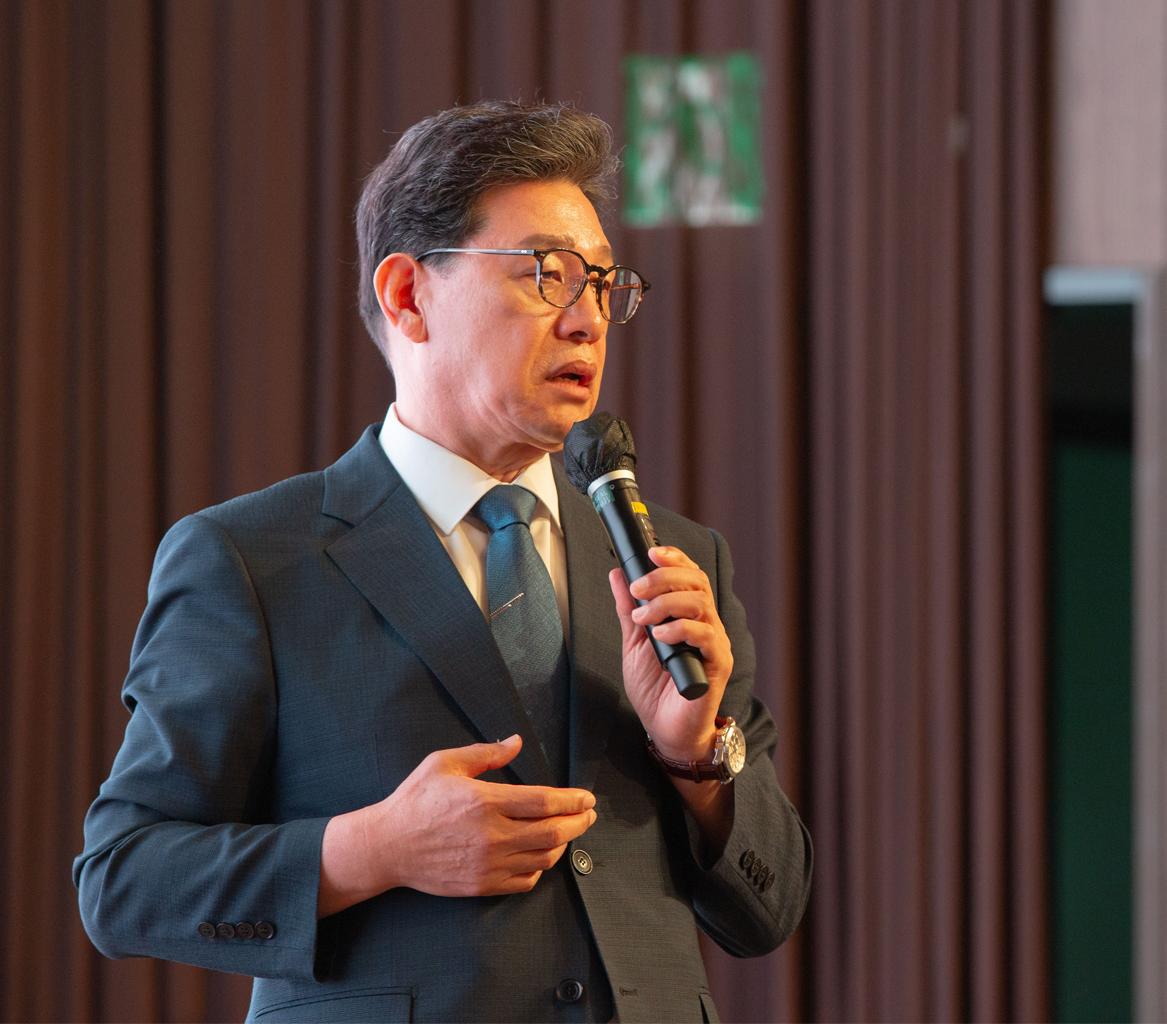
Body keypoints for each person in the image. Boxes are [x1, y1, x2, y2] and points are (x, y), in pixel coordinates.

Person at [72, 100, 811, 1023]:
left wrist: (696, 756)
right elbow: (124, 881)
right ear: (407, 296)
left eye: (603, 283)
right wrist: (374, 850)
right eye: (547, 274)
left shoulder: (674, 560)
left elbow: (772, 906)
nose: (588, 320)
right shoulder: (253, 560)